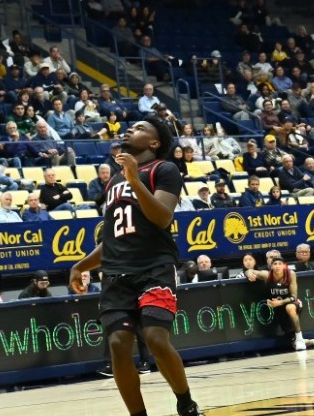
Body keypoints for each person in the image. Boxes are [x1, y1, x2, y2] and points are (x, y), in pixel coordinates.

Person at [69, 116, 200, 416]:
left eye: (141, 128)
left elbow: (162, 217)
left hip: (154, 267)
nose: (131, 129)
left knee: (155, 337)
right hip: (116, 273)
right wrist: (81, 265)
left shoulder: (164, 169)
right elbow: (113, 239)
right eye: (131, 127)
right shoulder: (115, 181)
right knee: (117, 344)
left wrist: (135, 181)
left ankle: (185, 402)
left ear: (155, 143)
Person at [244, 258, 314, 350]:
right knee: (295, 345)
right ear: (271, 266)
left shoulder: (291, 274)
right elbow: (249, 271)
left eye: (280, 264)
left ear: (284, 266)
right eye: (275, 264)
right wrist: (249, 274)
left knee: (290, 308)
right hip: (280, 309)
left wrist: (280, 302)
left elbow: (294, 296)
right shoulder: (267, 275)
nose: (277, 266)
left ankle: (299, 337)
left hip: (292, 303)